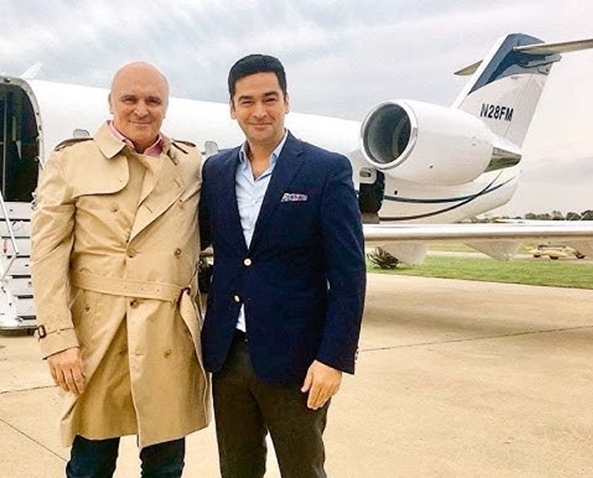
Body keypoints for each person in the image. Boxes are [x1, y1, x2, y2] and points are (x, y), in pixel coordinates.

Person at [30, 62, 209, 478]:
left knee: (166, 466)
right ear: (111, 102)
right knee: (90, 464)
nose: (141, 110)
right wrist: (58, 339)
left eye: (153, 101)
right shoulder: (72, 161)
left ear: (166, 106)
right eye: (130, 99)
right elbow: (46, 254)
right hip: (99, 333)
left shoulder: (190, 164)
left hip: (168, 331)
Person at [199, 54, 366, 477]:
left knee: (302, 470)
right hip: (228, 355)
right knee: (237, 470)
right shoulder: (216, 171)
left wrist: (333, 359)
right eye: (247, 101)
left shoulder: (325, 170)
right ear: (232, 108)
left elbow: (348, 276)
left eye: (269, 98)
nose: (259, 111)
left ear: (286, 101)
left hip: (299, 362)